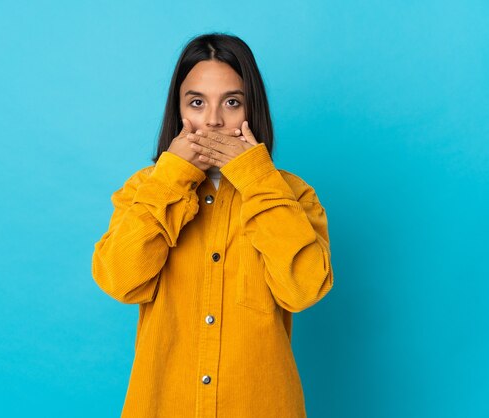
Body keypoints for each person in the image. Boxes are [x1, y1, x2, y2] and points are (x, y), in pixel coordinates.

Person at [91, 32, 334, 418]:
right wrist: (172, 177)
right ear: (178, 110)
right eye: (197, 102)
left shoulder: (292, 194)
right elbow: (120, 279)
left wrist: (256, 178)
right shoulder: (145, 188)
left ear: (252, 111)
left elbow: (303, 290)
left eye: (232, 102)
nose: (214, 120)